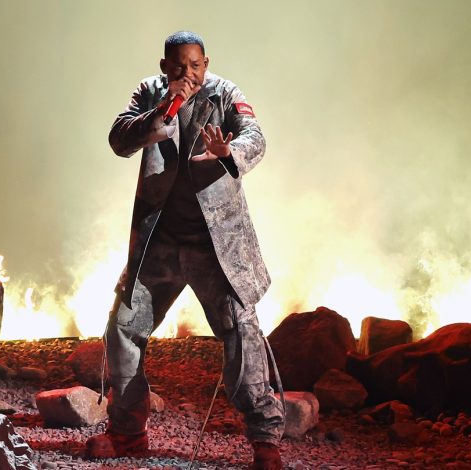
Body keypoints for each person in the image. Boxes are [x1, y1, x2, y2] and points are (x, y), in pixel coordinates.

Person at [86, 31, 284, 470]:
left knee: (241, 333)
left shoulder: (225, 93)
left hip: (217, 244)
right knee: (123, 328)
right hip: (161, 241)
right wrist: (163, 109)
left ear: (206, 63)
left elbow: (256, 135)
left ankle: (266, 442)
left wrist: (229, 150)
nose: (187, 75)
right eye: (178, 67)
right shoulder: (150, 94)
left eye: (194, 66)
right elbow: (120, 139)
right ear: (164, 66)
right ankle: (128, 433)